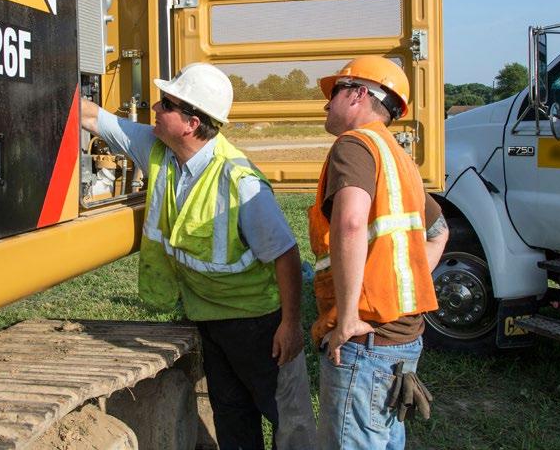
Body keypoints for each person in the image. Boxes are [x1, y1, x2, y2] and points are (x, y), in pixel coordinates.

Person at [81, 62, 316, 450]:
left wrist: (290, 325)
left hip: (257, 322)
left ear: (191, 123)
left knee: (289, 420)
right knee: (231, 413)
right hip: (209, 318)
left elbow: (286, 255)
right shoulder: (159, 149)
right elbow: (95, 119)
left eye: (165, 104)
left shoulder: (238, 179)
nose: (154, 109)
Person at [308, 55, 449, 449]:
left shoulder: (352, 147)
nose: (326, 103)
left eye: (334, 92)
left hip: (365, 343)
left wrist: (348, 318)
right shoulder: (397, 156)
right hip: (402, 337)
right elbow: (439, 232)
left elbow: (351, 223)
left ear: (357, 95)